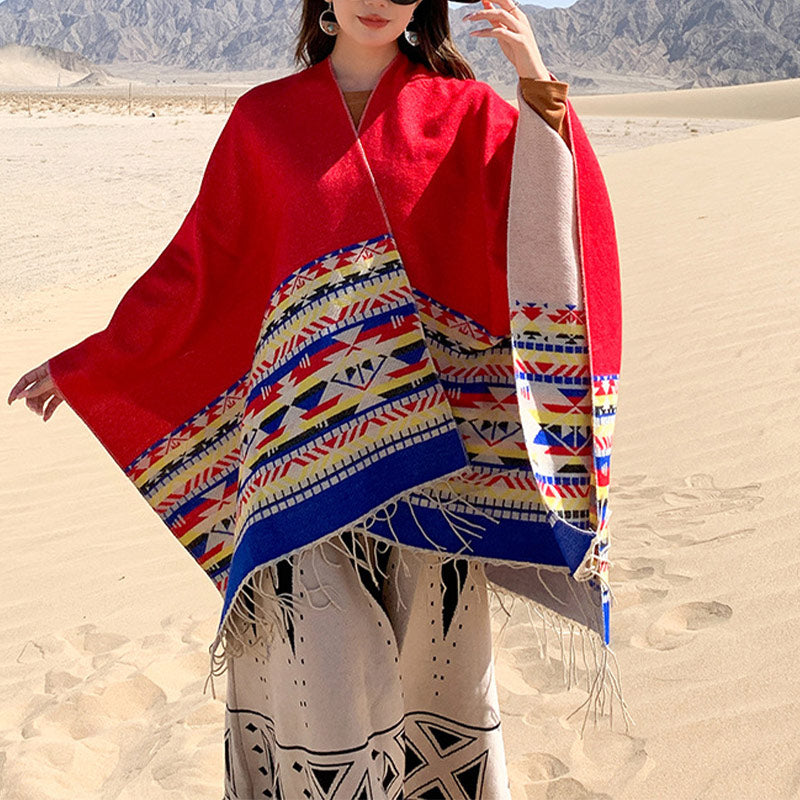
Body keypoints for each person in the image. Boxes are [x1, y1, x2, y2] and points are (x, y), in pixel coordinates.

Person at [9, 0, 629, 796]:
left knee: (432, 687)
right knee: (318, 680)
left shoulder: (465, 113)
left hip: (433, 478)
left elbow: (556, 223)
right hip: (300, 471)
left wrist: (536, 83)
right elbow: (200, 271)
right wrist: (94, 363)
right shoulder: (263, 121)